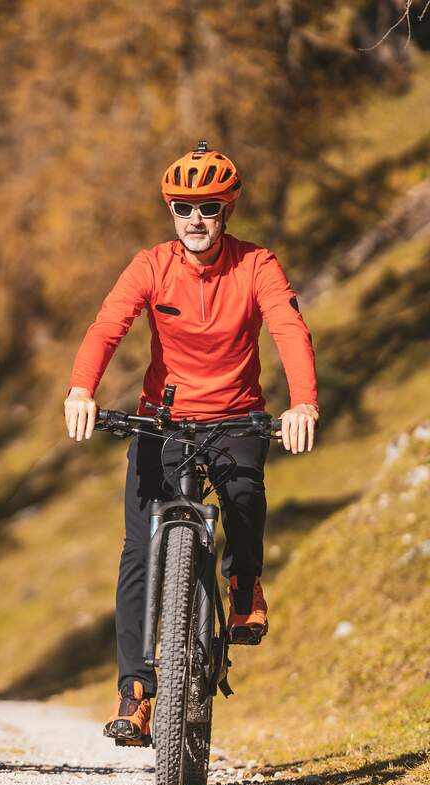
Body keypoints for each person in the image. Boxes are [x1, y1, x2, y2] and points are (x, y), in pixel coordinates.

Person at [62, 142, 320, 744]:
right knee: (137, 549)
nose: (194, 220)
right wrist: (81, 390)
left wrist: (302, 402)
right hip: (163, 421)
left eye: (206, 208)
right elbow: (108, 326)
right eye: (183, 207)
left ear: (226, 210)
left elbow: (288, 328)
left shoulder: (257, 265)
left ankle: (244, 581)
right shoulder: (151, 265)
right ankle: (136, 694)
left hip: (236, 416)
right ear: (171, 211)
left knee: (246, 495)